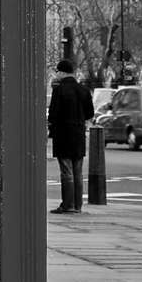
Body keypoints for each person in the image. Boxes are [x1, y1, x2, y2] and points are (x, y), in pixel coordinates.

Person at [48, 58, 94, 215]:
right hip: (79, 134)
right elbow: (90, 113)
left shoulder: (59, 90)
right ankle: (78, 205)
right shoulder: (83, 90)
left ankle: (68, 204)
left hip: (63, 134)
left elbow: (53, 114)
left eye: (57, 72)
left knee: (66, 171)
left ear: (61, 72)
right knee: (78, 172)